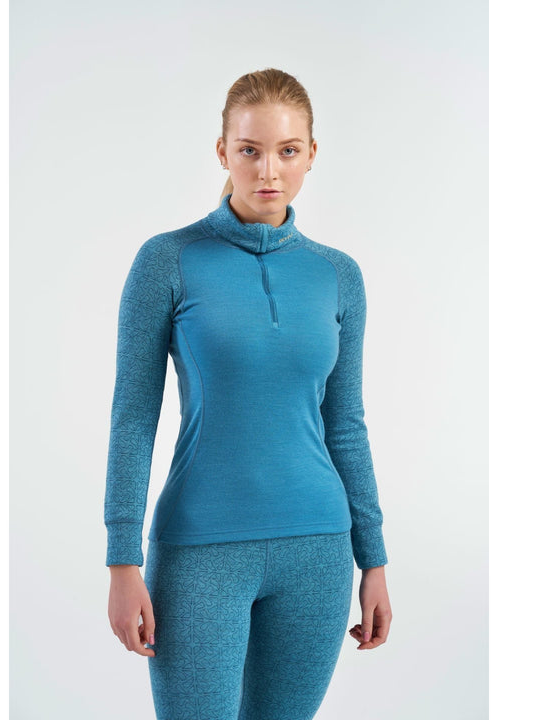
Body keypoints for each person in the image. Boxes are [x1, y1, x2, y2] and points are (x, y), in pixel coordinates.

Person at [104, 67, 392, 720]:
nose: (269, 170)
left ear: (311, 154)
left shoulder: (337, 275)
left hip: (318, 552)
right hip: (199, 554)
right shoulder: (168, 261)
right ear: (222, 152)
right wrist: (122, 559)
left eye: (287, 150)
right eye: (249, 150)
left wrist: (373, 559)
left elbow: (346, 423)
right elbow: (133, 419)